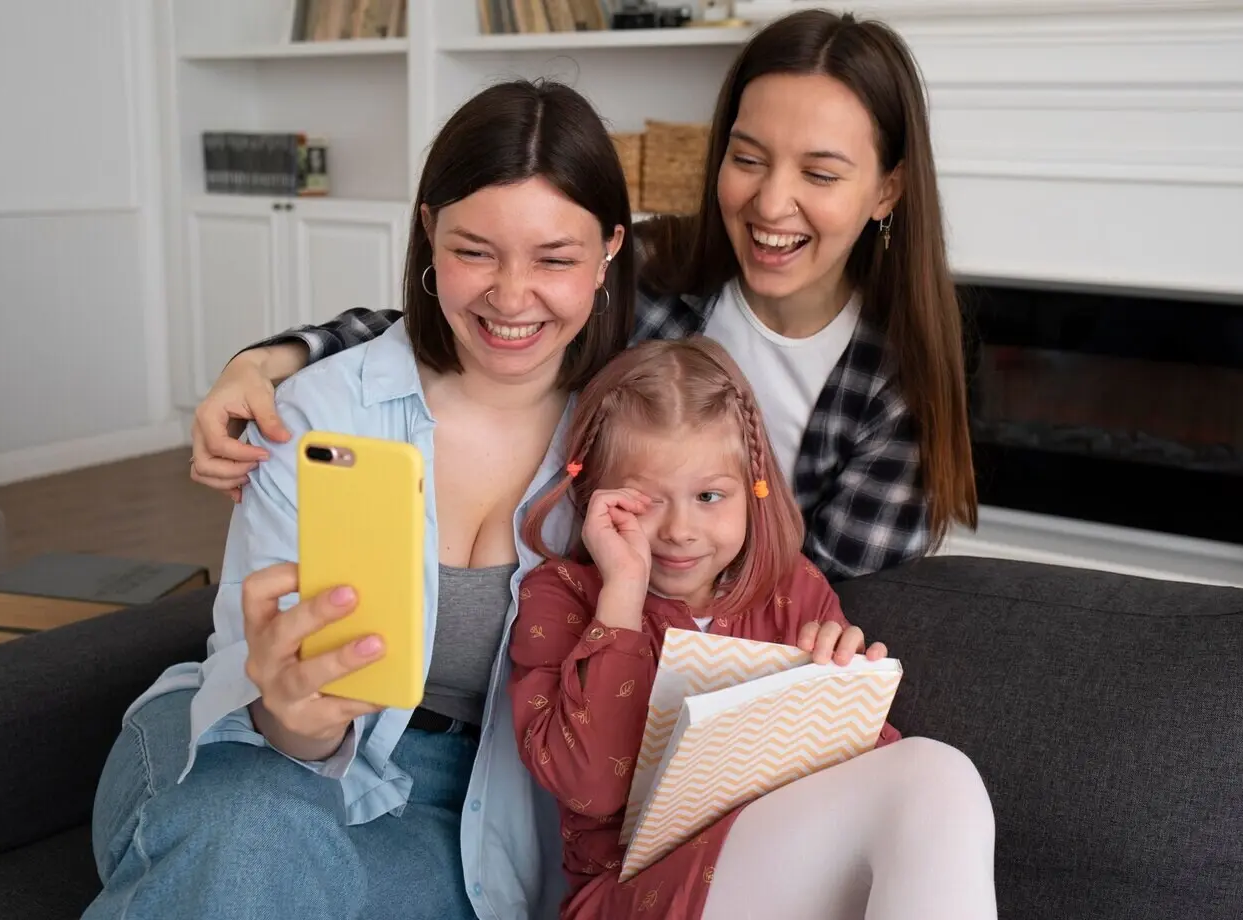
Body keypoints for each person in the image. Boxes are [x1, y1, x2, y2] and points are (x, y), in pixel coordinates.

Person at [84, 79, 637, 920]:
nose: (511, 296)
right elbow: (252, 674)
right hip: (245, 748)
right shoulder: (319, 410)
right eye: (474, 251)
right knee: (253, 833)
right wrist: (297, 720)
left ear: (609, 253)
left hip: (469, 805)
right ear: (428, 234)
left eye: (554, 259)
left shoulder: (627, 440)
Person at [186, 8, 979, 582]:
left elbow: (832, 594)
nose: (771, 205)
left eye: (820, 173)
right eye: (747, 158)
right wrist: (271, 358)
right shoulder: (660, 278)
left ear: (887, 190)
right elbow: (479, 316)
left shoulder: (897, 377)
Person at [509, 337, 996, 920]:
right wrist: (621, 596)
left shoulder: (793, 590)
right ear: (596, 499)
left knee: (937, 774)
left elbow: (872, 795)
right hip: (629, 896)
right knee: (933, 777)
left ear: (754, 490)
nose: (680, 531)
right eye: (647, 503)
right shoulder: (562, 595)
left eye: (709, 496)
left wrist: (842, 689)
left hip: (780, 881)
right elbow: (591, 785)